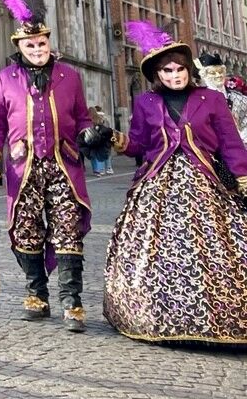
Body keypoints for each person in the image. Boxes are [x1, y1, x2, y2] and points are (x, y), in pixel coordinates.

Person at [98, 22, 247, 344]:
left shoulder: (211, 99)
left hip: (205, 180)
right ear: (157, 74)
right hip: (157, 183)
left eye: (180, 69)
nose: (175, 75)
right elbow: (139, 145)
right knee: (157, 251)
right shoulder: (145, 103)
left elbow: (230, 142)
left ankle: (217, 316)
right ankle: (162, 316)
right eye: (167, 71)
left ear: (188, 70)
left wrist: (242, 177)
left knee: (214, 248)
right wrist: (113, 138)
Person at [0, 0, 101, 333]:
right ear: (19, 46)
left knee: (68, 229)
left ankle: (71, 301)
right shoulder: (6, 78)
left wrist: (87, 134)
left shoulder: (69, 76)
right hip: (24, 166)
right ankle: (36, 294)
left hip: (64, 163)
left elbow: (81, 117)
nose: (37, 49)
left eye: (42, 43)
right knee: (27, 228)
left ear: (49, 43)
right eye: (30, 45)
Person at [86, 106, 113, 177]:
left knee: (93, 156)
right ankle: (102, 169)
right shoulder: (100, 119)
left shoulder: (88, 120)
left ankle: (96, 170)